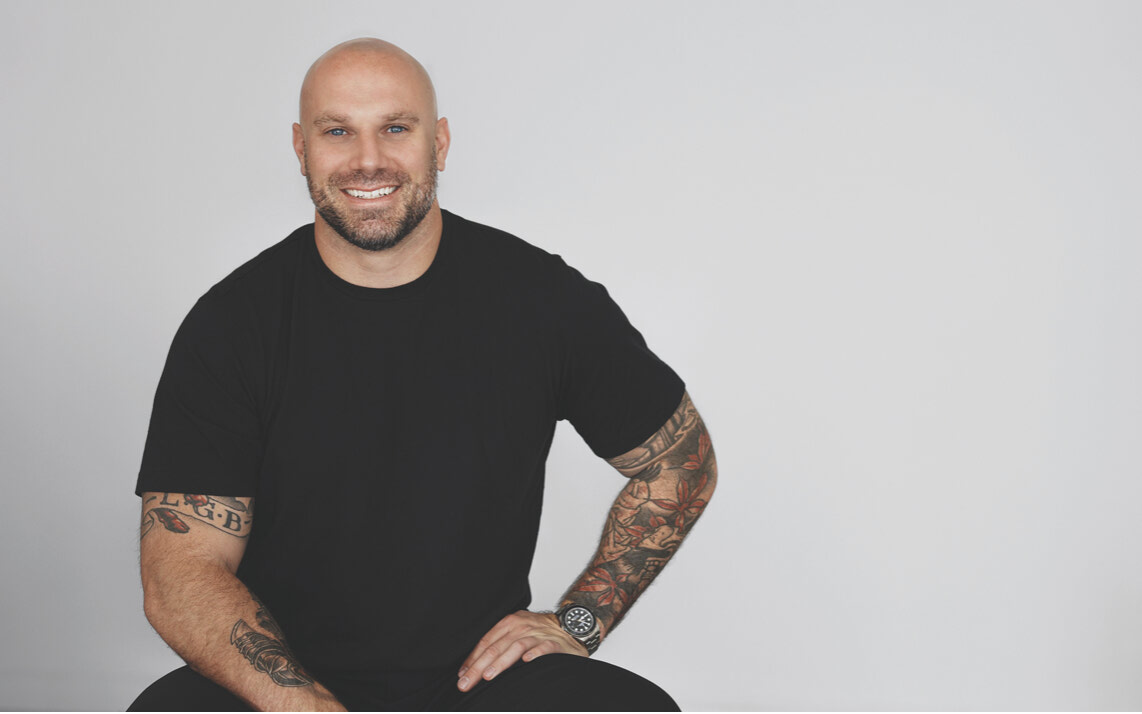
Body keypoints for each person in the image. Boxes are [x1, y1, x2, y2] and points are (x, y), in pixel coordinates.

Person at [130, 38, 717, 712]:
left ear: (439, 143)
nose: (368, 159)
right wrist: (304, 705)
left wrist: (579, 621)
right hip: (283, 683)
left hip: (478, 684)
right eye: (337, 131)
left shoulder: (541, 301)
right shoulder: (234, 323)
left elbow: (681, 464)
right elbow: (180, 571)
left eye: (395, 129)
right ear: (300, 147)